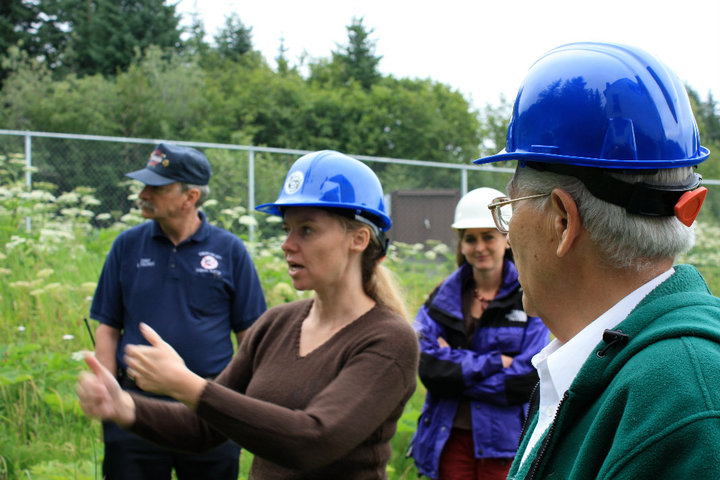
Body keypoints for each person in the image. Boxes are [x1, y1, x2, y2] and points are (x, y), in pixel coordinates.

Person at [77, 149, 420, 479]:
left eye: (307, 230)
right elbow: (204, 427)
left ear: (358, 239)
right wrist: (124, 407)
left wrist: (187, 384)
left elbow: (314, 440)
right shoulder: (277, 324)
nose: (287, 244)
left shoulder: (389, 340)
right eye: (287, 229)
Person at [474, 42, 720, 479]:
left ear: (562, 221)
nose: (505, 236)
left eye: (509, 209)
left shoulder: (679, 401)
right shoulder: (619, 368)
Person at [90, 142, 267, 480]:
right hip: (136, 409)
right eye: (145, 185)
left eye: (156, 187)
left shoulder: (230, 250)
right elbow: (108, 327)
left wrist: (241, 409)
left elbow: (251, 337)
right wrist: (109, 393)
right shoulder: (126, 246)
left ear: (191, 198)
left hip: (208, 408)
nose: (144, 193)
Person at [408, 187, 550, 480]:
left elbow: (525, 380)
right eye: (470, 239)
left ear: (506, 240)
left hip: (505, 443)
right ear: (461, 245)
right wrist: (497, 361)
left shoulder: (530, 295)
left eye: (488, 237)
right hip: (449, 438)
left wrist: (454, 366)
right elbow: (429, 368)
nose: (479, 247)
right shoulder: (443, 298)